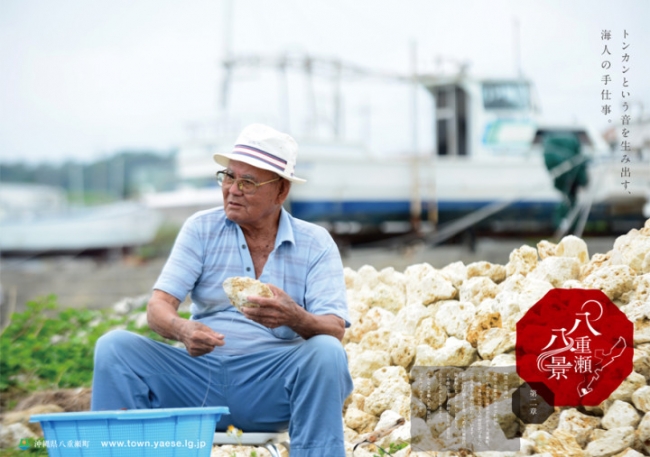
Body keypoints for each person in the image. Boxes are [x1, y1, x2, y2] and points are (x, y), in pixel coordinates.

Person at [91, 123, 353, 457]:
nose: (233, 190)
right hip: (197, 379)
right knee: (114, 346)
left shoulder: (315, 243)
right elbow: (158, 306)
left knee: (326, 353)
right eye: (228, 177)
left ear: (281, 191)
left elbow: (333, 328)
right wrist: (182, 328)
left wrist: (295, 316)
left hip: (270, 386)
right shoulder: (201, 228)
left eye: (248, 182)